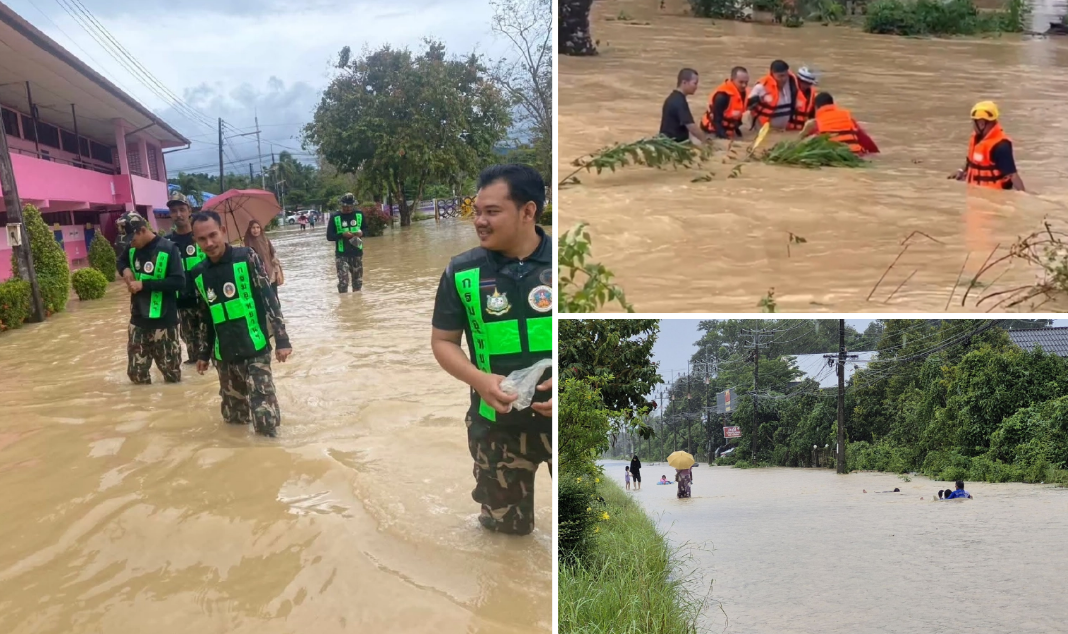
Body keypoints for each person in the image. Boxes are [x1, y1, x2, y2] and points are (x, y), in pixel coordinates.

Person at [430, 164, 553, 536]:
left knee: (585, 530)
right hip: (495, 430)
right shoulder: (461, 272)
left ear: (528, 211)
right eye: (476, 211)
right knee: (504, 539)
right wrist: (480, 380)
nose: (479, 221)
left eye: (492, 212)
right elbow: (443, 342)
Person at [190, 210, 293, 437]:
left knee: (265, 421)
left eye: (213, 235)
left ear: (223, 232)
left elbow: (269, 297)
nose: (209, 243)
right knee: (234, 422)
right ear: (195, 241)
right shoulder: (198, 274)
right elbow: (205, 317)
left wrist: (282, 339)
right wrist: (203, 354)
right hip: (224, 356)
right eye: (202, 239)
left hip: (255, 348)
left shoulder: (246, 257)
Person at [116, 212, 185, 385]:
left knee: (172, 377)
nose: (131, 244)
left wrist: (144, 285)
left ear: (142, 230)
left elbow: (178, 281)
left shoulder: (169, 248)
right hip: (138, 320)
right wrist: (125, 270)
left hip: (164, 321)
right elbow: (120, 261)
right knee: (136, 376)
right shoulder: (131, 248)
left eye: (133, 239)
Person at [162, 192, 207, 365]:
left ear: (189, 210)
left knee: (212, 347)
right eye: (174, 211)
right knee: (193, 352)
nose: (178, 214)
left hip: (206, 301)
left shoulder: (202, 237)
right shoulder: (166, 243)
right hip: (181, 305)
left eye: (182, 209)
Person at [950, 101, 1025, 192]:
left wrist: (1024, 196)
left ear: (981, 124)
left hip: (996, 195)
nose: (973, 126)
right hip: (975, 192)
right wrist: (961, 170)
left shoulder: (1001, 146)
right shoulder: (977, 138)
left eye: (974, 122)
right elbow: (970, 161)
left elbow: (1013, 175)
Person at [798, 92, 868, 155]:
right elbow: (866, 140)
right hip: (856, 154)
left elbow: (799, 142)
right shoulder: (848, 117)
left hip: (836, 156)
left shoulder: (814, 123)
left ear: (816, 107)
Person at [326, 193, 365, 293]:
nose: (348, 208)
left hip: (357, 253)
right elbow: (329, 236)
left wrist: (362, 233)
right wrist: (342, 235)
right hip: (341, 255)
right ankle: (344, 302)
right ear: (341, 205)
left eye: (350, 206)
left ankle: (356, 303)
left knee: (357, 282)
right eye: (346, 206)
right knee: (343, 283)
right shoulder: (335, 217)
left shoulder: (359, 214)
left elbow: (367, 230)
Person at [659, 68, 708, 145]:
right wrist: (706, 141)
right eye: (695, 83)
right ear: (684, 82)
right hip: (673, 145)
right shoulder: (679, 102)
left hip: (667, 143)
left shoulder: (674, 98)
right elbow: (692, 127)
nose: (696, 87)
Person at [700, 66, 750, 140]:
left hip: (729, 129)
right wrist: (725, 139)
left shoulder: (744, 93)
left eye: (746, 82)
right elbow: (716, 121)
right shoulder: (722, 97)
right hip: (712, 130)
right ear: (732, 80)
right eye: (741, 82)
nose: (744, 85)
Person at [748, 59, 799, 130]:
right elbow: (747, 106)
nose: (783, 79)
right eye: (780, 76)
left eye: (785, 75)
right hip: (763, 130)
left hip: (783, 130)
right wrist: (757, 99)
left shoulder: (792, 83)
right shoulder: (761, 87)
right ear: (772, 74)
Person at [243, 220, 283, 294]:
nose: (256, 230)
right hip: (257, 277)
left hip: (271, 274)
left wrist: (278, 273)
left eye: (258, 227)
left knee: (275, 300)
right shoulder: (246, 242)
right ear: (249, 229)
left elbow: (273, 256)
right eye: (253, 228)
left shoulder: (265, 239)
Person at [788, 66, 818, 130]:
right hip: (787, 129)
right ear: (799, 80)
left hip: (800, 130)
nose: (807, 85)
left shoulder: (812, 95)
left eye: (809, 83)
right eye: (805, 82)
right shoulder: (789, 91)